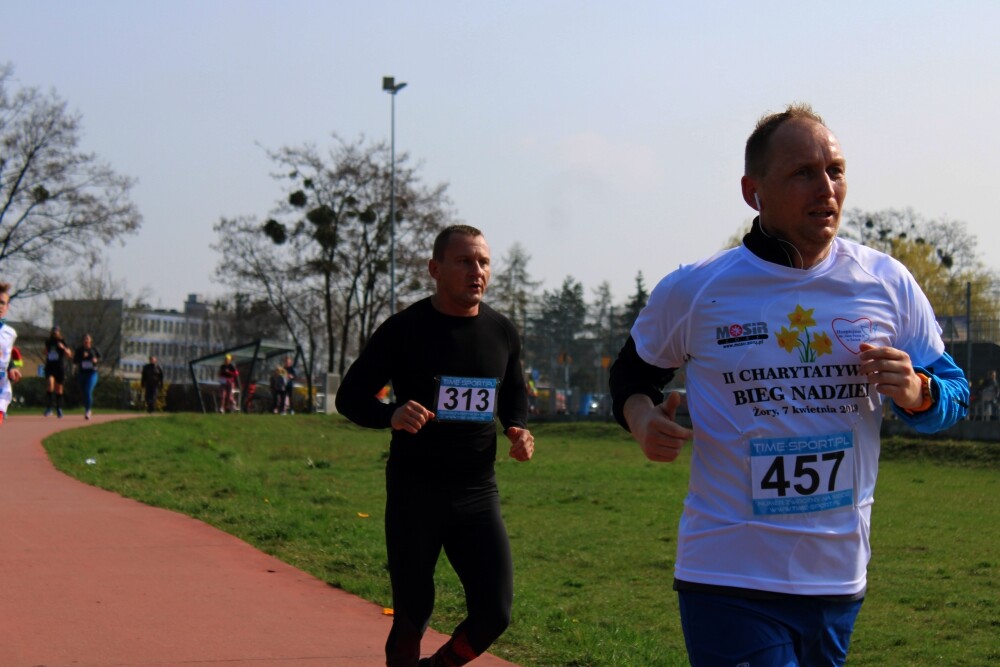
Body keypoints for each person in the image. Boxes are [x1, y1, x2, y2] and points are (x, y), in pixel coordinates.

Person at [608, 104, 969, 667]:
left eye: (835, 170)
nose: (826, 188)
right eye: (803, 173)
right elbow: (632, 375)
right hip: (727, 573)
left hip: (839, 578)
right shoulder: (696, 289)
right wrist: (640, 416)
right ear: (753, 192)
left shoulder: (886, 282)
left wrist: (919, 392)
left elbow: (954, 393)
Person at [336, 224, 535, 667]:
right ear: (435, 268)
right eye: (464, 261)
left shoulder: (502, 331)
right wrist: (390, 414)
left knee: (495, 614)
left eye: (483, 262)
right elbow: (349, 397)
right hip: (415, 492)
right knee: (412, 615)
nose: (477, 271)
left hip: (477, 492)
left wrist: (516, 427)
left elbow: (513, 391)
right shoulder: (403, 329)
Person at [0, 283, 23, 425]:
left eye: (3, 303)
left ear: (7, 307)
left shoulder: (10, 334)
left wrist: (12, 368)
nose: (0, 306)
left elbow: (7, 357)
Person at [43, 325, 73, 417]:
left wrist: (63, 348)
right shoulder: (48, 342)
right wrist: (46, 352)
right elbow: (45, 352)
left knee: (59, 388)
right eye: (53, 331)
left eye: (56, 331)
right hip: (50, 366)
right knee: (50, 384)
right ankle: (49, 408)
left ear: (59, 332)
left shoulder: (62, 341)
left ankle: (59, 408)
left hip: (59, 367)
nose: (55, 333)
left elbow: (69, 354)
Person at [74, 333, 101, 420]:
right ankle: (87, 408)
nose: (86, 340)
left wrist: (96, 360)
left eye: (88, 339)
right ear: (83, 341)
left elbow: (100, 358)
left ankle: (88, 410)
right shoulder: (79, 350)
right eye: (85, 339)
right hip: (82, 374)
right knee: (84, 393)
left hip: (92, 373)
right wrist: (82, 357)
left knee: (88, 391)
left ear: (90, 340)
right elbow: (75, 361)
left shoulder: (94, 349)